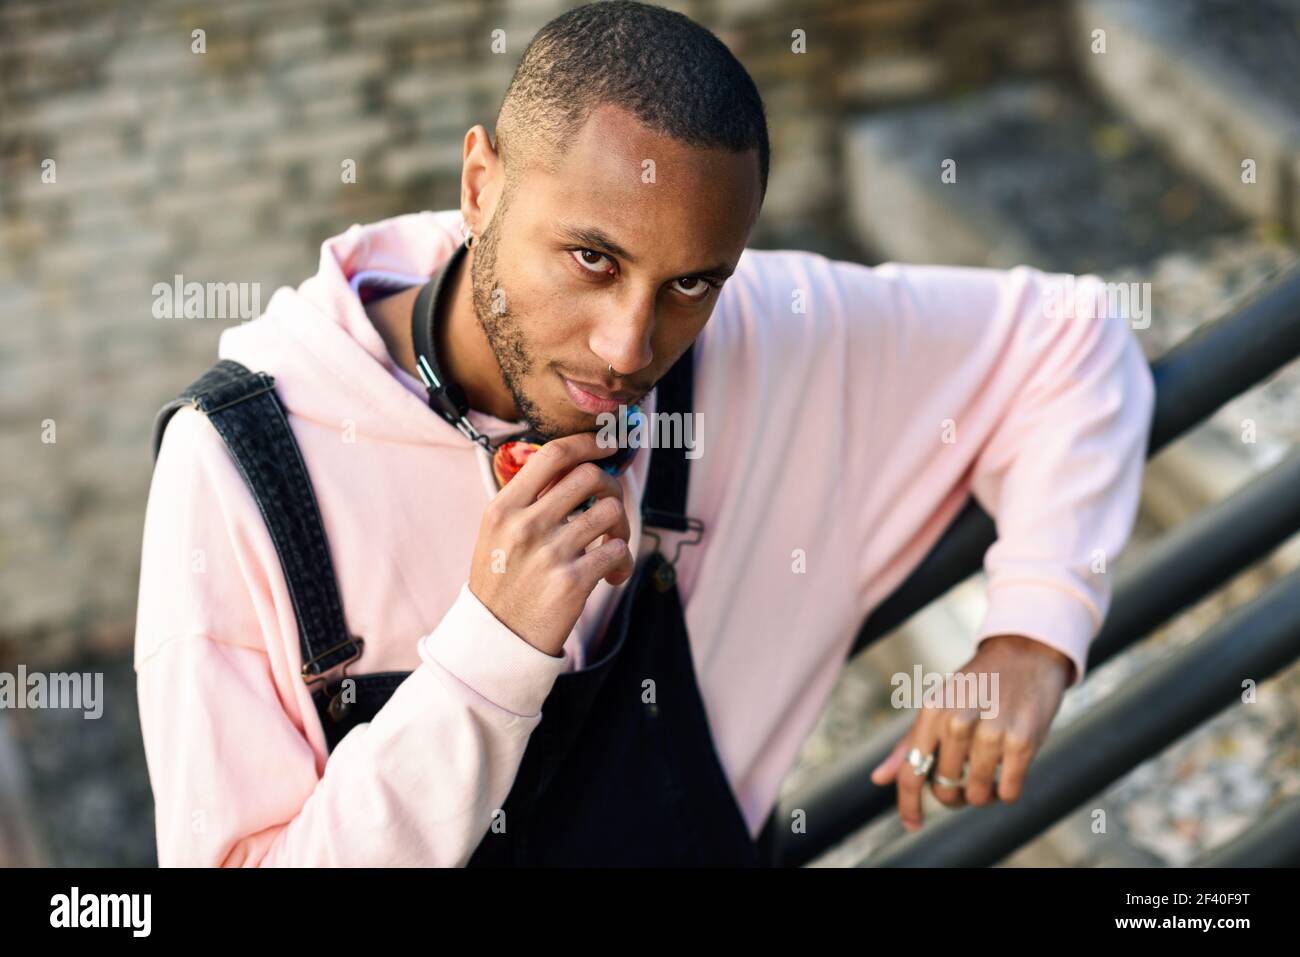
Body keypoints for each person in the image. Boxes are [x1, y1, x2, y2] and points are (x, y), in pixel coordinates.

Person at [134, 1, 1154, 866]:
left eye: (690, 283)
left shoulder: (757, 343)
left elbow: (1072, 338)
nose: (628, 348)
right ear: (481, 185)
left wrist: (1030, 632)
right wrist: (489, 657)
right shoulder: (239, 470)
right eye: (590, 258)